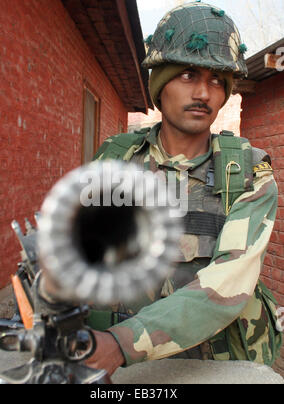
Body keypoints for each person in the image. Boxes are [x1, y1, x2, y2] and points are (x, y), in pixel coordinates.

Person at [84, 2, 282, 376]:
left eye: (216, 80)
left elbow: (229, 279)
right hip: (110, 359)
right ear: (160, 84)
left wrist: (123, 342)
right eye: (188, 75)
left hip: (211, 365)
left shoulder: (246, 172)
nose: (204, 93)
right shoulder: (114, 160)